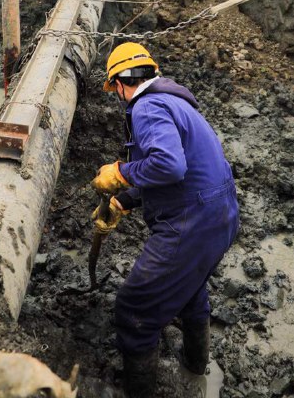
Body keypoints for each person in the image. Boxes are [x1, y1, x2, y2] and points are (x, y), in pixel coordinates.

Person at [91, 42, 239, 398]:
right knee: (190, 290)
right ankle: (195, 370)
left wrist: (120, 172)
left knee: (134, 309)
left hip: (191, 223)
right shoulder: (176, 102)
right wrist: (125, 200)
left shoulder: (146, 107)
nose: (119, 96)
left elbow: (169, 165)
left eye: (116, 89)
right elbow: (179, 174)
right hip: (221, 216)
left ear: (122, 81)